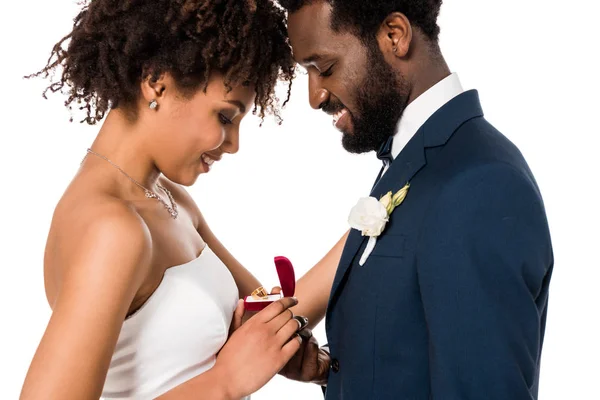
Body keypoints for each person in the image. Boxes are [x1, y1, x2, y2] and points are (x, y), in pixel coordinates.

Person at [19, 0, 306, 399]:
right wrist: (223, 382)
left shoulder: (171, 200)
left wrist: (378, 218)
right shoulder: (112, 228)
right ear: (157, 82)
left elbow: (272, 310)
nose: (234, 145)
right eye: (225, 117)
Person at [278, 1, 555, 399]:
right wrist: (333, 371)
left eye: (324, 68)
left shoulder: (479, 185)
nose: (315, 96)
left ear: (395, 35)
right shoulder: (416, 162)